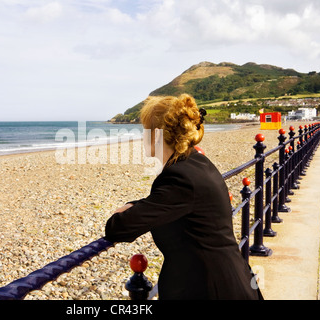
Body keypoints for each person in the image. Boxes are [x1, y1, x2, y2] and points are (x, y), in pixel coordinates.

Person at [104, 94, 263, 300]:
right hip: (229, 278)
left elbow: (117, 229)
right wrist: (135, 204)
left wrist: (122, 212)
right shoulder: (195, 163)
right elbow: (166, 204)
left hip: (211, 288)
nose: (142, 136)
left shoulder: (179, 177)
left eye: (145, 130)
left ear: (158, 135)